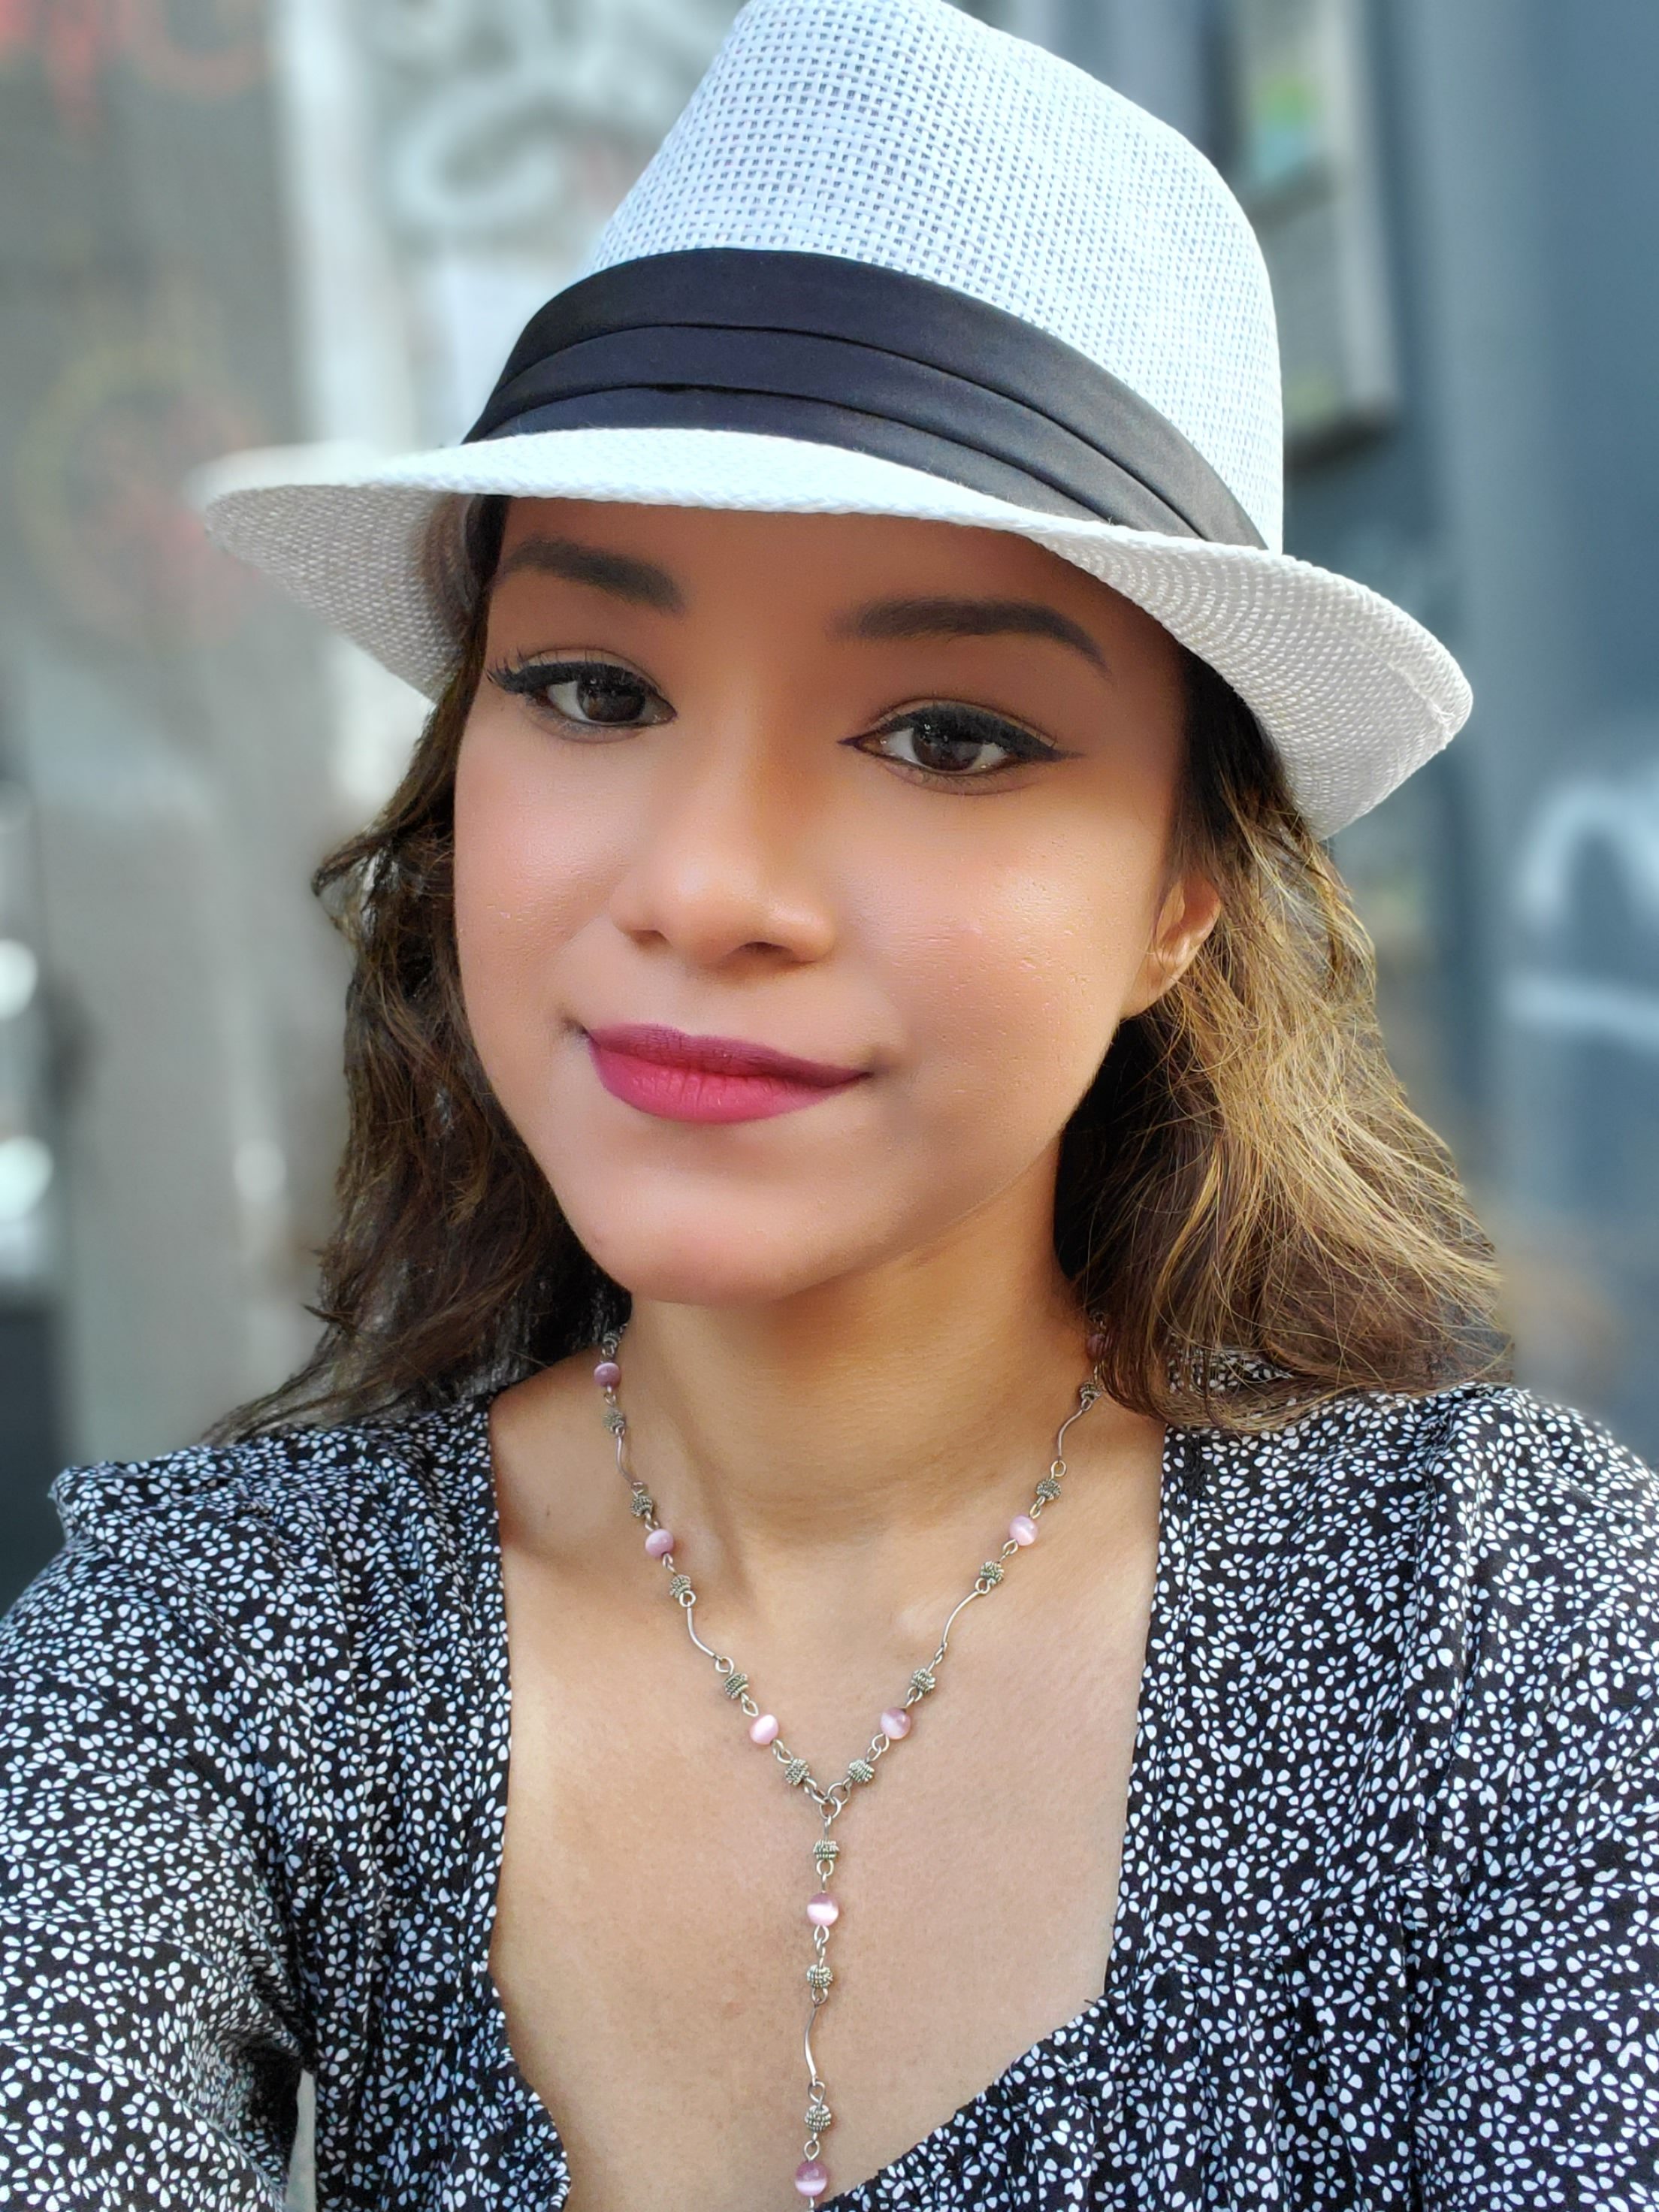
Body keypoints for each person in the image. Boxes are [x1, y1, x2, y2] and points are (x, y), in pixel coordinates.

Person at [4, 0, 1657, 2205]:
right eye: (594, 688)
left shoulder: (1486, 1630)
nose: (705, 888)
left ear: (1183, 894)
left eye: (949, 735)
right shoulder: (212, 1647)